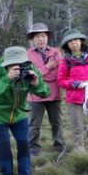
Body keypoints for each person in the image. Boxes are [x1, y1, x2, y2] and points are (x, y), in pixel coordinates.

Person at [0, 46, 49, 175]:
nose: (18, 66)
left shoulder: (29, 68)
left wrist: (36, 83)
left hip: (19, 114)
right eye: (13, 64)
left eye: (20, 63)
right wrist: (7, 78)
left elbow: (45, 93)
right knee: (5, 145)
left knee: (24, 143)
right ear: (6, 63)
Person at [26, 23, 65, 157]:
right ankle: (33, 147)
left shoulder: (56, 52)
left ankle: (59, 145)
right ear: (33, 39)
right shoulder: (28, 55)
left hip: (54, 94)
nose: (41, 39)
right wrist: (47, 67)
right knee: (34, 124)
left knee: (57, 122)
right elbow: (29, 75)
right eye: (37, 36)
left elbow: (58, 74)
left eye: (43, 36)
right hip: (35, 95)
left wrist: (39, 73)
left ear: (47, 37)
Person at [57, 29, 88, 153]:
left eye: (75, 40)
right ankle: (79, 150)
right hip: (74, 99)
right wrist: (75, 84)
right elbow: (60, 81)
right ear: (67, 45)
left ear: (81, 41)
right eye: (70, 42)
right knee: (77, 127)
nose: (73, 43)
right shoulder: (65, 62)